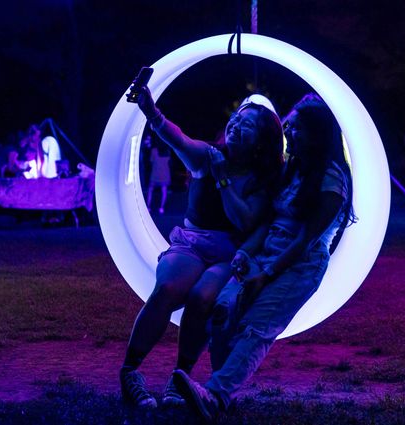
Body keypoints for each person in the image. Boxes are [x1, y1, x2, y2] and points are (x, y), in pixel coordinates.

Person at [171, 94, 356, 421]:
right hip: (264, 253)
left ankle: (216, 394)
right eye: (289, 127)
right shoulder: (295, 170)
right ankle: (217, 391)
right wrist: (245, 253)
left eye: (296, 129)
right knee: (221, 311)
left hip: (298, 266)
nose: (289, 134)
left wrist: (265, 276)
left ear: (316, 135)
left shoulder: (332, 180)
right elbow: (270, 221)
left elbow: (304, 240)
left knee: (257, 329)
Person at [119, 82, 284, 408]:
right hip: (192, 244)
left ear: (261, 142)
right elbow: (178, 139)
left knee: (202, 298)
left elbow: (246, 222)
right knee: (167, 288)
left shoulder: (264, 178)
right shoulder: (208, 155)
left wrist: (223, 180)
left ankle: (179, 380)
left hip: (231, 253)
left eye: (247, 124)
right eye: (236, 118)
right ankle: (130, 373)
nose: (236, 125)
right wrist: (152, 113)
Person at [146, 139, 171, 214]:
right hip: (165, 173)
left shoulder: (154, 151)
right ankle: (161, 208)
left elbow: (151, 161)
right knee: (164, 191)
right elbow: (169, 161)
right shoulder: (167, 151)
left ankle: (148, 207)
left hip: (155, 173)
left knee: (150, 189)